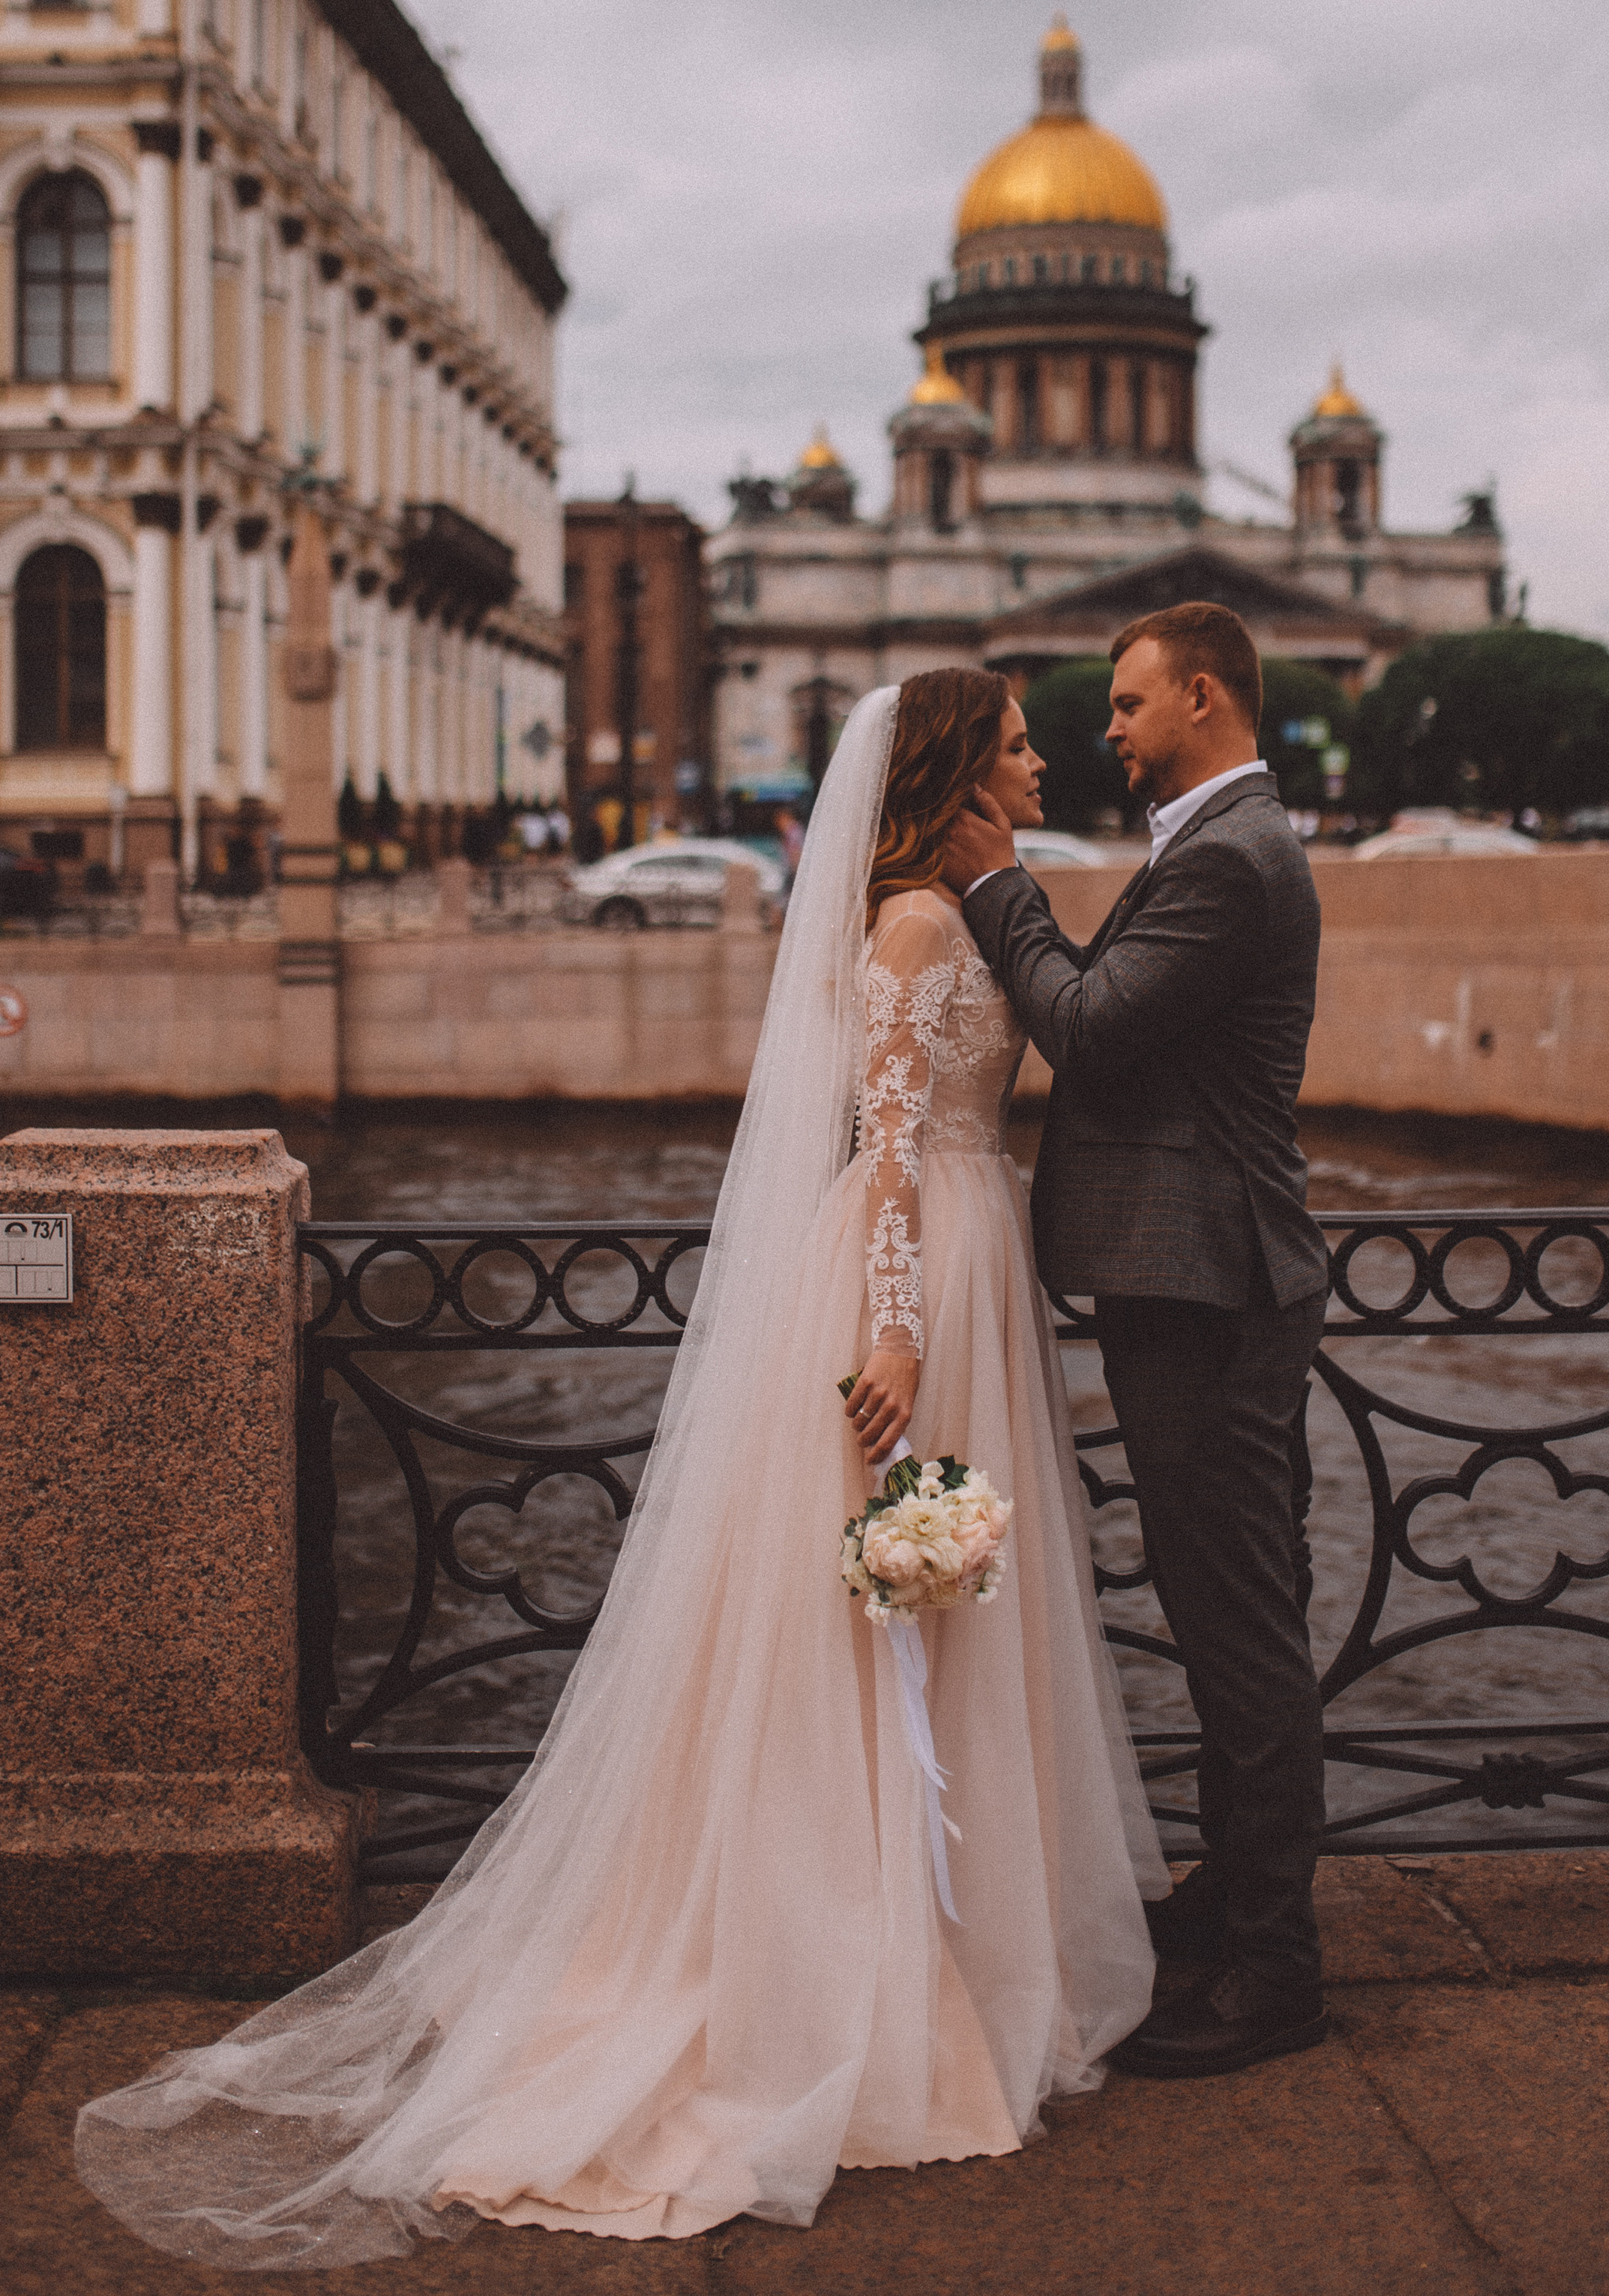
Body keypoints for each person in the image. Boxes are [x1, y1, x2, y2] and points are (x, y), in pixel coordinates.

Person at [76, 670, 1164, 2270]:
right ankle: (859, 1955)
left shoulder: (976, 903)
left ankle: (953, 1931)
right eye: (1012, 740)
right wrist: (893, 1339)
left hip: (973, 1255)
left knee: (954, 1608)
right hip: (919, 1274)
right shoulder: (916, 934)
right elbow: (878, 1149)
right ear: (949, 769)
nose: (1043, 754)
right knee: (879, 1616)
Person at [940, 603, 1330, 2080]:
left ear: (1205, 698)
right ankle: (1232, 1905)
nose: (1104, 726)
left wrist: (998, 889)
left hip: (1210, 1291)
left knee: (1235, 1633)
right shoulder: (1213, 844)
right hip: (1197, 1283)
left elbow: (1091, 1027)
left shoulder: (1231, 857)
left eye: (1124, 700)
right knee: (1231, 1612)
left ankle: (1272, 1970)